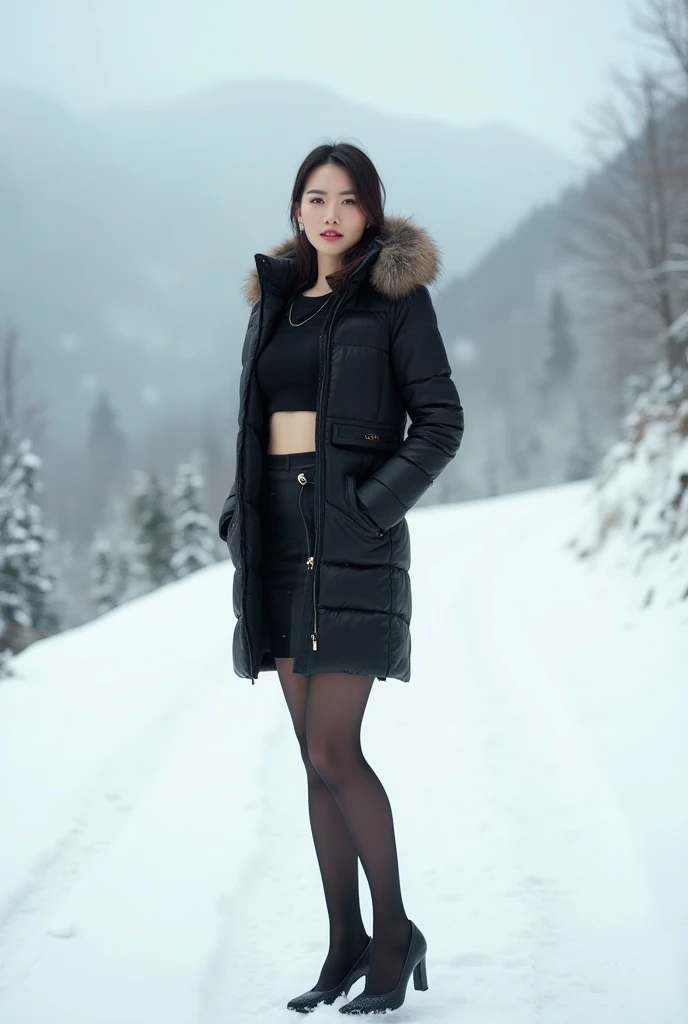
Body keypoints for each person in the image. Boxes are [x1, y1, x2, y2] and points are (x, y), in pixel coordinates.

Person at [218, 141, 464, 1014]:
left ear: (370, 212)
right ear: (295, 209)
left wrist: (369, 506)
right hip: (278, 543)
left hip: (350, 537)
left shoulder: (395, 301)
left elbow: (439, 421)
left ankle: (394, 934)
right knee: (311, 761)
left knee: (334, 748)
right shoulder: (275, 306)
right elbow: (259, 426)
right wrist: (238, 510)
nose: (329, 213)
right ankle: (344, 942)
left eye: (348, 199)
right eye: (315, 197)